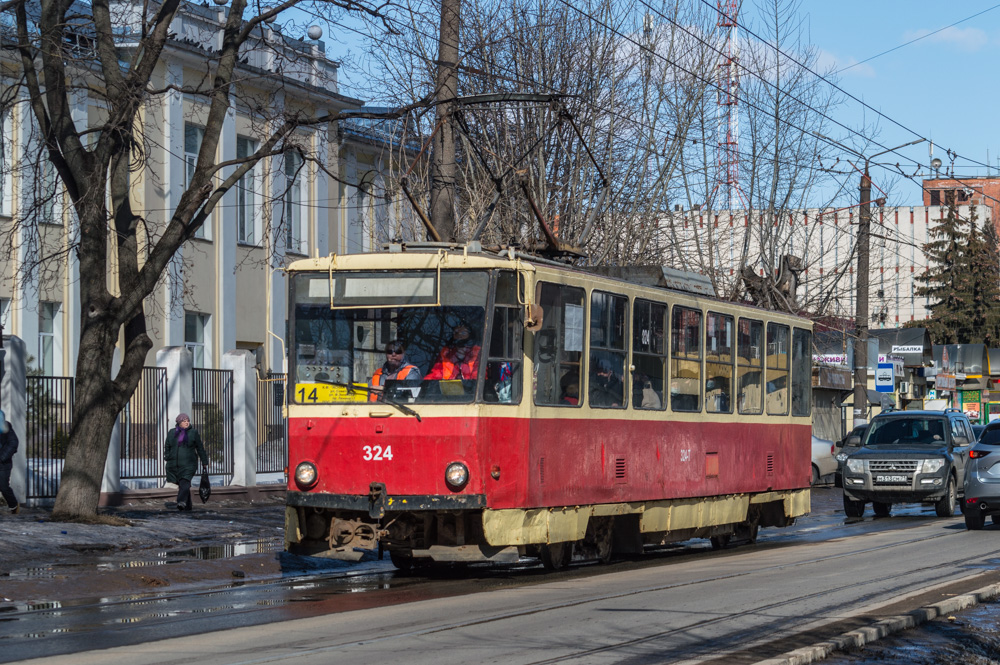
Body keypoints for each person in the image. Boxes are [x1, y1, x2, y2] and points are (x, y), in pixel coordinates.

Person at [164, 413, 209, 511]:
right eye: (184, 421)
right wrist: (167, 456)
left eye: (188, 420)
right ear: (179, 422)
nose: (187, 423)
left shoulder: (193, 433)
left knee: (184, 481)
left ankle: (181, 501)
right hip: (175, 464)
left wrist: (204, 461)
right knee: (182, 484)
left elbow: (200, 448)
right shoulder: (172, 433)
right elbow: (167, 446)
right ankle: (188, 506)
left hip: (189, 464)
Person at [0, 411, 20, 514]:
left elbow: (13, 443)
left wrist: (2, 457)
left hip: (3, 463)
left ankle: (14, 506)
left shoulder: (7, 429)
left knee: (3, 486)